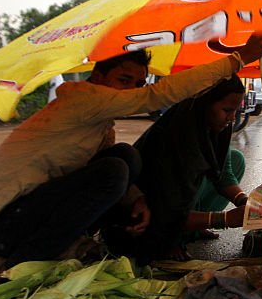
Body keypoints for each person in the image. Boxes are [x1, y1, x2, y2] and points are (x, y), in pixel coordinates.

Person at [0, 32, 262, 272]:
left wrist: (137, 199)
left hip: (30, 215)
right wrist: (239, 58)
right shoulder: (82, 98)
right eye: (124, 81)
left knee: (123, 158)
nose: (130, 91)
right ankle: (23, 265)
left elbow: (221, 172)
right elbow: (157, 95)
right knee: (116, 169)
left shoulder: (101, 126)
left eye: (137, 83)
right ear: (98, 77)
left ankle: (63, 245)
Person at [104, 77, 249, 262]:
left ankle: (193, 226)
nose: (232, 118)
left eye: (236, 111)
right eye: (227, 110)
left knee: (236, 158)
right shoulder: (177, 139)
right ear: (204, 103)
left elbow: (223, 174)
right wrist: (225, 219)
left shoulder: (216, 127)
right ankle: (180, 233)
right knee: (191, 185)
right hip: (145, 218)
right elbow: (167, 210)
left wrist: (245, 202)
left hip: (176, 206)